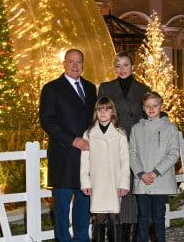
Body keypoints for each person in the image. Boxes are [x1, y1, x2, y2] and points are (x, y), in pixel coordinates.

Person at [39, 49, 97, 242]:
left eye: (79, 62)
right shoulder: (51, 88)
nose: (75, 66)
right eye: (71, 62)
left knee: (84, 207)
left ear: (83, 65)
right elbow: (47, 121)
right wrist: (72, 140)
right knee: (62, 211)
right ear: (64, 64)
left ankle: (82, 239)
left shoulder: (90, 88)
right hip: (63, 157)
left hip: (86, 157)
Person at [98, 52, 150, 241]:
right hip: (113, 145)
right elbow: (100, 115)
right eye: (118, 65)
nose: (122, 69)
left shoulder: (144, 89)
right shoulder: (106, 87)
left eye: (126, 65)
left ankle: (133, 236)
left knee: (132, 192)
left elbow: (149, 116)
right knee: (115, 190)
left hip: (136, 146)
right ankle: (114, 235)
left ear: (133, 67)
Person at [129, 91, 180, 242]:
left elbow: (173, 153)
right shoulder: (136, 129)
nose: (151, 109)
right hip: (142, 180)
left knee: (159, 216)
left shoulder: (170, 128)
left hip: (161, 180)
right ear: (143, 108)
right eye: (148, 106)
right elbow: (132, 153)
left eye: (155, 106)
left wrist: (155, 172)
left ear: (161, 106)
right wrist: (141, 173)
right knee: (143, 217)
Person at [80, 97, 130, 242]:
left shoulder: (120, 134)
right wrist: (85, 182)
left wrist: (124, 184)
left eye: (107, 109)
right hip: (97, 183)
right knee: (99, 217)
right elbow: (84, 162)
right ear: (96, 112)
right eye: (100, 110)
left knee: (114, 216)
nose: (103, 113)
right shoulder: (89, 134)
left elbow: (125, 161)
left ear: (112, 112)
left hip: (114, 182)